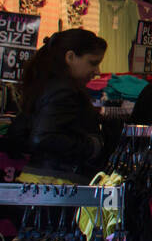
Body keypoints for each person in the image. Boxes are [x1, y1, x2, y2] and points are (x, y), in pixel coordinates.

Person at [8, 28, 108, 184]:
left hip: (43, 181)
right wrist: (91, 146)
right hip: (55, 184)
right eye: (93, 63)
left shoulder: (46, 84)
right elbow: (42, 138)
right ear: (70, 57)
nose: (97, 71)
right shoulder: (63, 90)